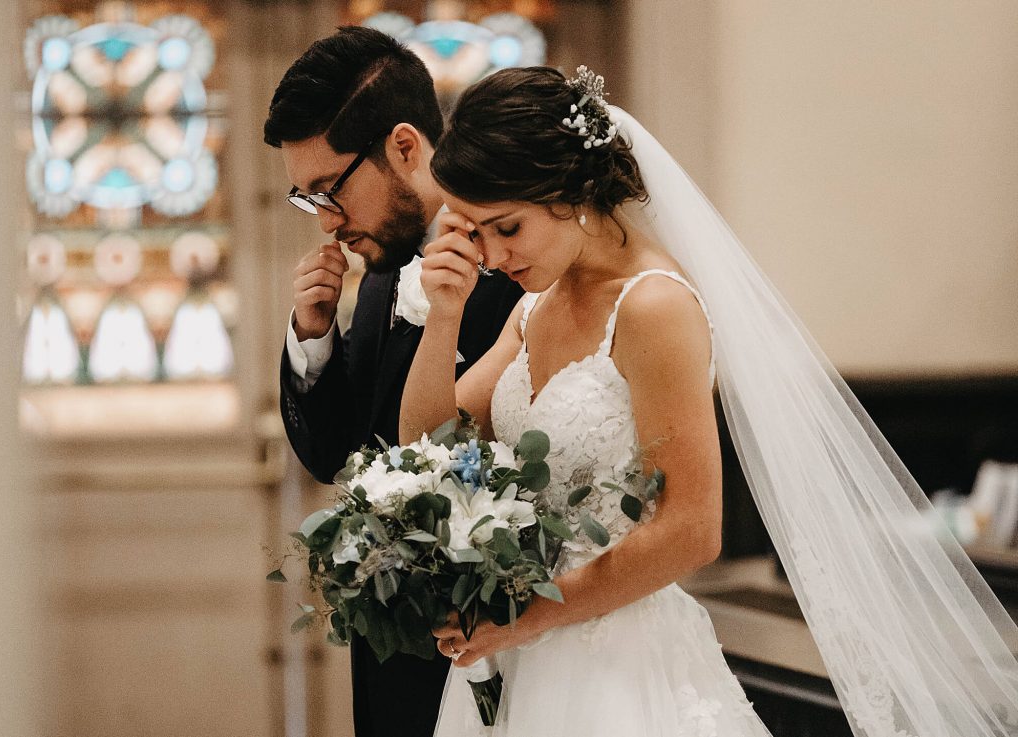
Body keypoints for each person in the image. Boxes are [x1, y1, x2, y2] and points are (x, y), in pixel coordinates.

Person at [400, 66, 1018, 736]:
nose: (489, 254)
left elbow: (693, 529)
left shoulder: (653, 305)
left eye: (506, 228)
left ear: (570, 191)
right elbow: (428, 450)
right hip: (522, 655)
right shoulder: (535, 306)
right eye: (473, 232)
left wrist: (530, 614)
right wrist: (442, 320)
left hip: (615, 664)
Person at [262, 28, 523, 737]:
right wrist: (314, 338)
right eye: (305, 197)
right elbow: (334, 455)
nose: (326, 222)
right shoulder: (380, 275)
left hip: (502, 662)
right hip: (392, 668)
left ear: (405, 148)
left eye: (330, 190)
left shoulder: (519, 263)